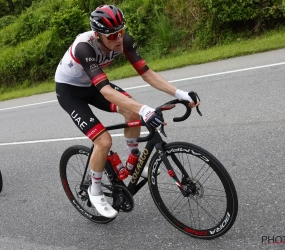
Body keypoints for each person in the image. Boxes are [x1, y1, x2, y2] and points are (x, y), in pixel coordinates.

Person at [55, 5, 200, 219]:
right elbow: (105, 90)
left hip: (92, 86)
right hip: (70, 93)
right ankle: (95, 191)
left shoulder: (124, 40)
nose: (119, 39)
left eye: (121, 31)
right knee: (103, 141)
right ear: (97, 35)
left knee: (132, 111)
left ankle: (133, 161)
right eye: (112, 35)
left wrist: (180, 93)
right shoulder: (84, 47)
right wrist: (145, 109)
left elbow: (147, 73)